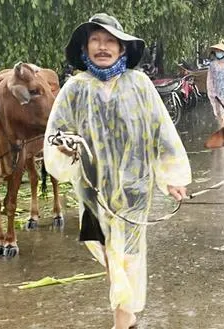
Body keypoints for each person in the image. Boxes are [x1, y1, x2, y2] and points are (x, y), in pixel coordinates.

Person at [43, 13, 191, 329]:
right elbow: (56, 132)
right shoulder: (74, 89)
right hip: (91, 191)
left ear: (122, 49)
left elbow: (161, 131)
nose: (103, 46)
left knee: (128, 257)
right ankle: (127, 314)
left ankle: (121, 322)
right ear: (85, 48)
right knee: (107, 254)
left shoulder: (139, 85)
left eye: (110, 41)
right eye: (95, 40)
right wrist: (66, 146)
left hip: (134, 192)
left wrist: (173, 178)